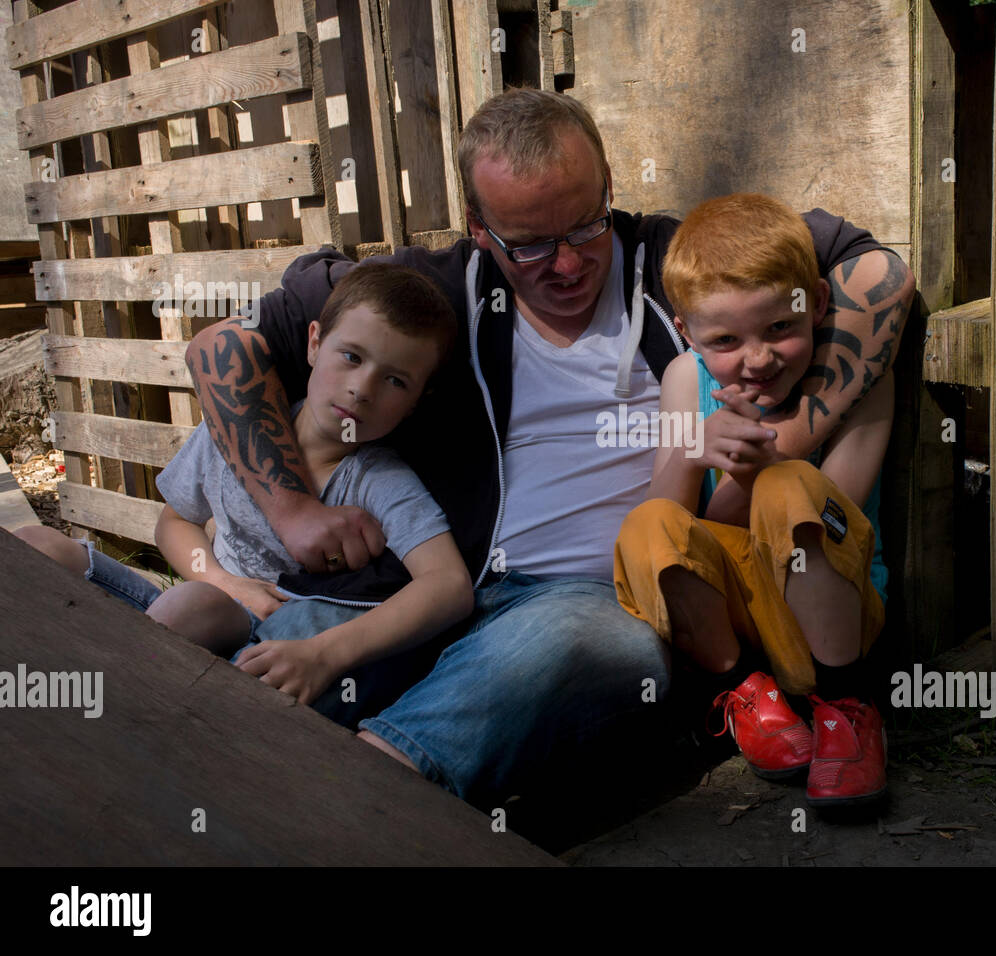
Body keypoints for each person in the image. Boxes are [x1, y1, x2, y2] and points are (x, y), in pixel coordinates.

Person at [182, 88, 915, 810]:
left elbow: (880, 274)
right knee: (269, 668)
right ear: (479, 229)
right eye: (529, 244)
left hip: (602, 603)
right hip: (425, 583)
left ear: (607, 189)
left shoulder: (680, 267)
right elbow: (223, 346)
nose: (566, 264)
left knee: (557, 648)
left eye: (586, 225)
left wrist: (778, 445)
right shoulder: (434, 293)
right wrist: (293, 512)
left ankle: (375, 796)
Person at [16, 264, 473, 709]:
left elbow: (448, 584)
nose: (362, 389)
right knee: (34, 544)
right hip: (187, 605)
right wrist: (224, 581)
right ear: (314, 343)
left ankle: (103, 699)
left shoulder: (377, 479)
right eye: (351, 357)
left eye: (395, 380)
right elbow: (175, 521)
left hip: (253, 638)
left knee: (192, 606)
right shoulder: (244, 428)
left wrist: (325, 652)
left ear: (415, 402)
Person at [614, 193, 894, 808]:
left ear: (816, 303)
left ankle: (849, 706)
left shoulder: (856, 380)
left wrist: (765, 467)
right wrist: (695, 450)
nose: (759, 359)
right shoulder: (687, 379)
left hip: (835, 614)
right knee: (644, 523)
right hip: (741, 626)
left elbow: (838, 513)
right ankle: (744, 693)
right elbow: (673, 527)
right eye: (726, 339)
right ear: (687, 333)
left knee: (788, 485)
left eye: (780, 328)